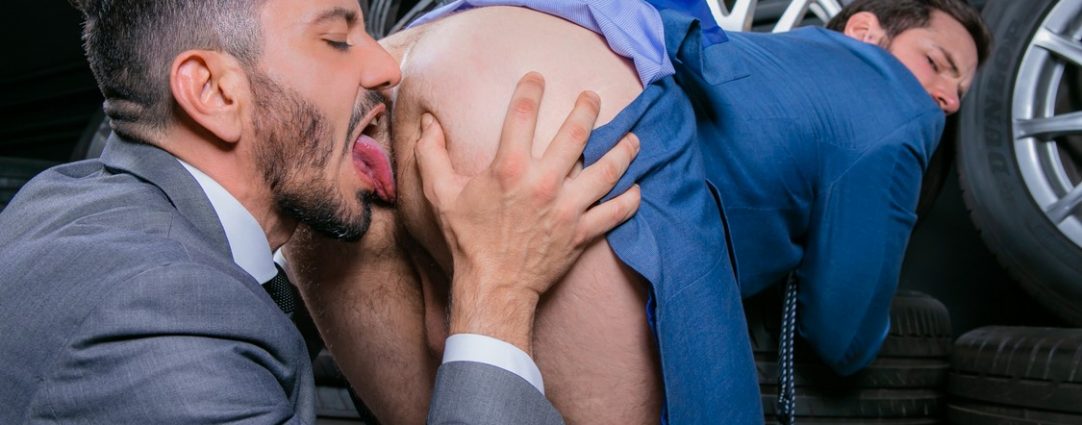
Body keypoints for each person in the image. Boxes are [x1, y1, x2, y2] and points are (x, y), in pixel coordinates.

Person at [285, 0, 991, 424]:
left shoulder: (769, 70)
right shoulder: (898, 105)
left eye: (961, 88)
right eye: (938, 61)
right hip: (554, 106)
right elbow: (843, 333)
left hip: (408, 57)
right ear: (866, 31)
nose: (948, 97)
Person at [0, 0, 643, 423]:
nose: (385, 66)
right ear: (213, 92)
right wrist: (498, 287)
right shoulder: (158, 323)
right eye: (336, 40)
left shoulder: (62, 200)